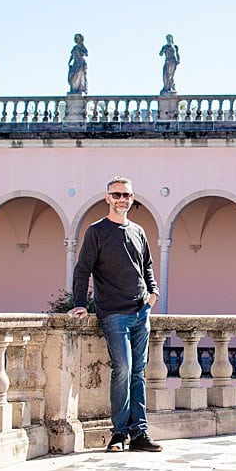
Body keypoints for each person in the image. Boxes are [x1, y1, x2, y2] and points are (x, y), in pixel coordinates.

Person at [70, 176, 162, 453]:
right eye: (117, 195)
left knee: (138, 372)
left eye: (127, 195)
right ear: (107, 198)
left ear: (132, 199)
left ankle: (140, 433)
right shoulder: (96, 231)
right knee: (122, 369)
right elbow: (82, 268)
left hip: (140, 312)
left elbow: (146, 266)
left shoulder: (138, 231)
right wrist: (79, 303)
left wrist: (153, 292)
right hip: (113, 313)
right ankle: (119, 433)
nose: (122, 199)